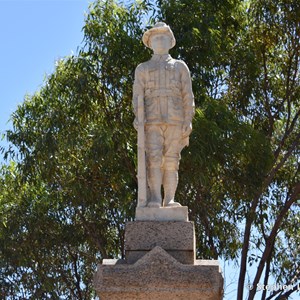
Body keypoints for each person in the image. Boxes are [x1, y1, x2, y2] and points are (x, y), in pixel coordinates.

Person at [133, 22, 195, 208]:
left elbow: (187, 95)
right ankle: (154, 198)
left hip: (175, 119)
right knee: (153, 159)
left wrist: (188, 118)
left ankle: (169, 199)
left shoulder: (180, 66)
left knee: (171, 161)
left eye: (163, 37)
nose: (159, 41)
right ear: (150, 43)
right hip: (151, 120)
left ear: (170, 41)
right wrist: (138, 117)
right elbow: (137, 96)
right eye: (156, 38)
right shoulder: (142, 69)